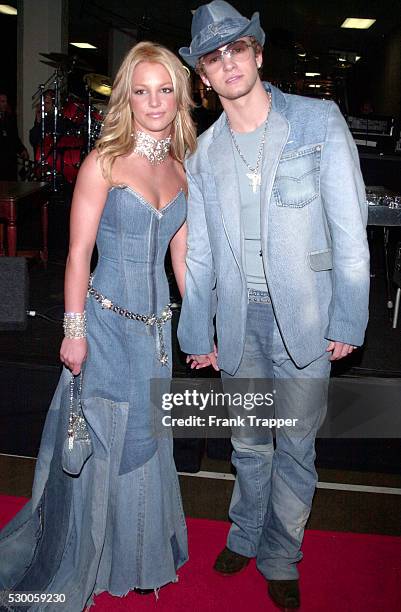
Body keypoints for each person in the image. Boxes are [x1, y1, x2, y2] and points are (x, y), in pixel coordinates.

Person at [177, 1, 369, 609]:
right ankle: (243, 531)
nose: (228, 63)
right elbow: (201, 255)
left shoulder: (317, 120)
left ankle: (282, 554)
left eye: (237, 49)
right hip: (239, 322)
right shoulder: (202, 156)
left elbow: (350, 228)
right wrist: (196, 331)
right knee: (249, 443)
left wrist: (349, 315)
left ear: (257, 54)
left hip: (308, 319)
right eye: (214, 56)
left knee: (295, 446)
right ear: (203, 76)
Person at [0, 41, 196, 610]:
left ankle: (133, 557)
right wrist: (74, 329)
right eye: (142, 90)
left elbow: (181, 262)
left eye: (164, 90)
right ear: (127, 98)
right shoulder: (103, 162)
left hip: (156, 334)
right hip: (107, 327)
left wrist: (200, 331)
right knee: (106, 441)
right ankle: (84, 560)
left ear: (178, 95)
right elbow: (77, 254)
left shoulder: (181, 166)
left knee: (146, 441)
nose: (154, 101)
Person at [0, 93, 29, 180]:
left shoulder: (10, 118)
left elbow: (15, 138)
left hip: (9, 160)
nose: (5, 104)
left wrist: (22, 149)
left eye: (6, 101)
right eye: (2, 101)